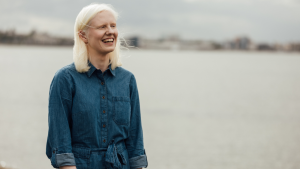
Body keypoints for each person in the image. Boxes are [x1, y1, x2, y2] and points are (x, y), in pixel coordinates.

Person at [46, 3, 148, 169]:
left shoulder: (128, 80)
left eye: (113, 25)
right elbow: (61, 146)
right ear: (83, 36)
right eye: (102, 26)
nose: (110, 31)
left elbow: (135, 144)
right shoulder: (64, 79)